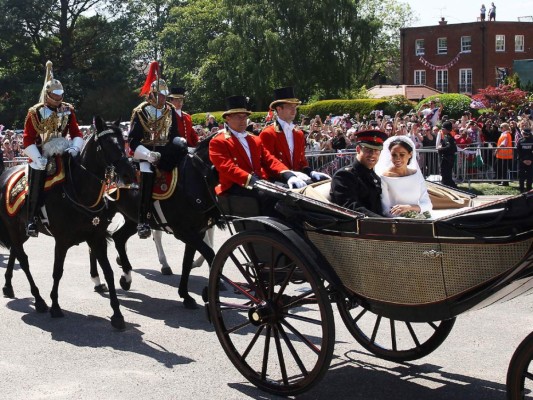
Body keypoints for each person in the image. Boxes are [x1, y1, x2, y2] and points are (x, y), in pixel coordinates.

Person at [23, 60, 84, 237]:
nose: (58, 99)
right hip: (41, 153)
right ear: (48, 94)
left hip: (64, 149)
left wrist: (75, 148)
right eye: (55, 95)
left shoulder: (68, 110)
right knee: (37, 178)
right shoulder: (35, 112)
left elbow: (76, 133)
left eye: (60, 95)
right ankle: (31, 219)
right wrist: (37, 157)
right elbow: (27, 139)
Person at [209, 95, 307, 200]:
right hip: (236, 186)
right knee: (274, 198)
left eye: (245, 117)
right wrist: (254, 181)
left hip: (259, 183)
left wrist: (288, 174)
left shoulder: (254, 139)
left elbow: (269, 159)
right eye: (239, 117)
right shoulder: (218, 142)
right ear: (228, 118)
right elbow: (228, 168)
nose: (243, 120)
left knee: (292, 192)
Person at [128, 61, 185, 238]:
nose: (162, 98)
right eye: (160, 95)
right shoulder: (140, 111)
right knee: (148, 176)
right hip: (145, 153)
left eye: (164, 95)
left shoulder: (170, 110)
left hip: (166, 152)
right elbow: (133, 141)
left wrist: (180, 143)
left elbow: (174, 133)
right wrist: (147, 154)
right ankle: (143, 219)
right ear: (152, 93)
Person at [260, 87, 329, 182]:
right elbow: (268, 161)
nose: (294, 110)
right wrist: (287, 174)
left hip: (297, 179)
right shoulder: (268, 133)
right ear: (279, 109)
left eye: (294, 107)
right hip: (276, 180)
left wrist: (310, 172)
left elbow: (301, 162)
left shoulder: (298, 134)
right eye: (289, 107)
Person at [330, 129, 389, 217]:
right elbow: (350, 207)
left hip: (376, 225)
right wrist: (384, 222)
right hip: (358, 227)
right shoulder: (344, 176)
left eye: (377, 151)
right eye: (368, 150)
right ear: (358, 149)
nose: (373, 154)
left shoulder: (375, 177)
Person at [374, 136, 432, 218]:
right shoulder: (384, 177)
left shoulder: (416, 174)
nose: (397, 159)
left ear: (410, 154)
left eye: (402, 154)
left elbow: (427, 204)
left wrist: (410, 208)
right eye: (394, 155)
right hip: (396, 222)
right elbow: (385, 209)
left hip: (419, 218)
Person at [437, 121, 458, 188]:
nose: (442, 130)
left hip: (447, 159)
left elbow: (450, 147)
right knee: (447, 175)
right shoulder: (451, 137)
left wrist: (440, 149)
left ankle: (450, 188)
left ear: (446, 129)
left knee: (445, 176)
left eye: (443, 129)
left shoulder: (447, 137)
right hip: (450, 158)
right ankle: (451, 187)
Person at [516, 128, 533, 193]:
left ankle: (525, 190)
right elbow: (518, 151)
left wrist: (530, 160)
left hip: (528, 161)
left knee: (528, 176)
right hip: (523, 161)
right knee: (524, 176)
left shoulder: (531, 140)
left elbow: (518, 151)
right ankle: (523, 190)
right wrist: (524, 160)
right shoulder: (520, 140)